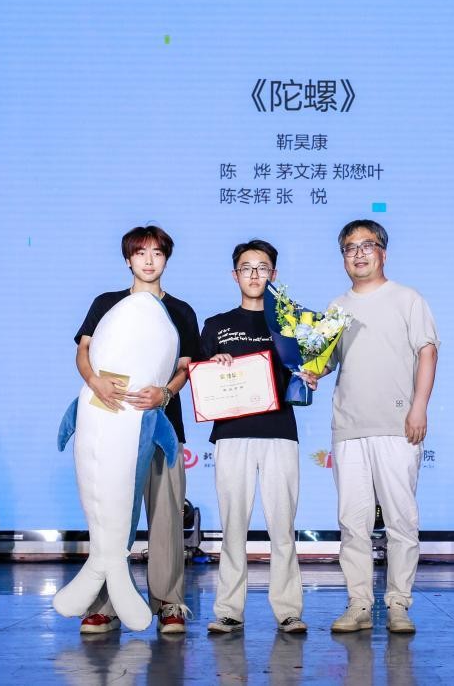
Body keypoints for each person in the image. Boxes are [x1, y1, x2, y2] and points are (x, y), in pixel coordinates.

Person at [306, 219, 438, 634]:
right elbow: (326, 361)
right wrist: (310, 371)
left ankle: (398, 604)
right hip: (349, 428)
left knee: (401, 521)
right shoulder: (336, 307)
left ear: (383, 252)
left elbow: (428, 352)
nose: (358, 253)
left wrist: (419, 408)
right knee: (353, 522)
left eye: (367, 245)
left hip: (398, 425)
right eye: (350, 248)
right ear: (343, 257)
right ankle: (359, 604)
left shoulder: (407, 298)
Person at [73, 225, 200, 635]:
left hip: (162, 427)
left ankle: (169, 602)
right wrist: (94, 381)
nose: (149, 260)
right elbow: (84, 350)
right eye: (141, 253)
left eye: (157, 253)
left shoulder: (181, 310)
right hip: (110, 427)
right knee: (110, 515)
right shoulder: (106, 303)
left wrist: (166, 393)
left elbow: (185, 368)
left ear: (166, 259)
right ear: (128, 259)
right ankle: (104, 604)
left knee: (166, 517)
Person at [198, 240, 308, 635]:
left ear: (274, 274)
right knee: (233, 527)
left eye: (262, 267)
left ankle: (288, 610)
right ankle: (229, 610)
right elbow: (200, 376)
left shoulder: (291, 323)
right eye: (247, 267)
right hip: (232, 434)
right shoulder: (216, 325)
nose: (255, 274)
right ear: (235, 275)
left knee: (283, 527)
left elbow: (308, 370)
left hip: (280, 432)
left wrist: (311, 374)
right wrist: (215, 364)